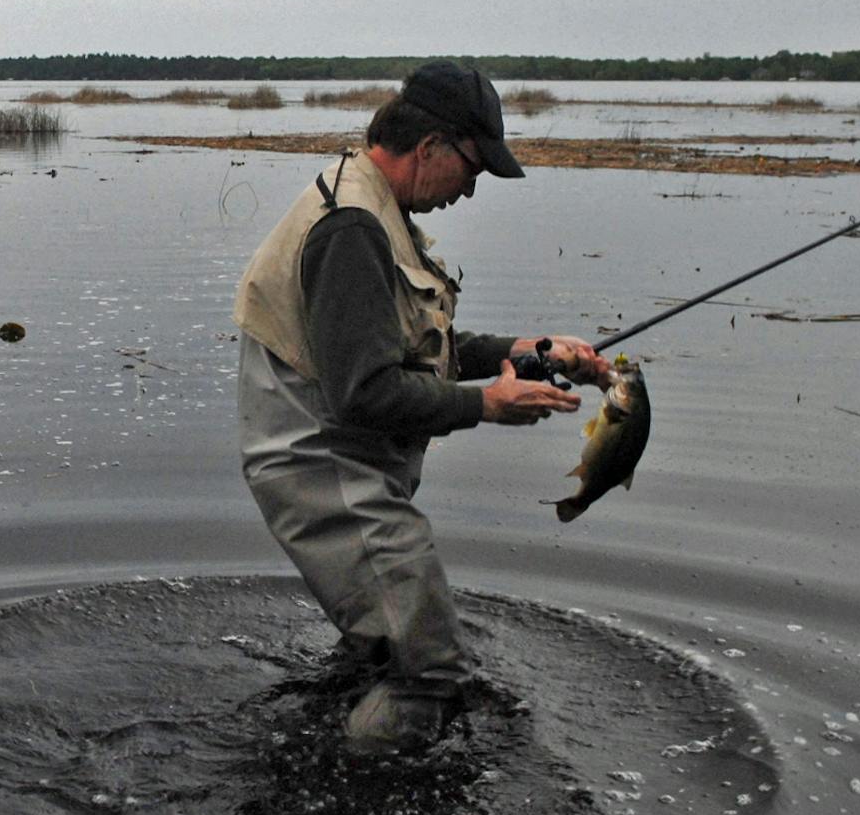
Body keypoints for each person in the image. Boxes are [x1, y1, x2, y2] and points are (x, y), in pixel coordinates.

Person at [234, 61, 612, 750]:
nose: (469, 191)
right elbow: (366, 391)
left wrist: (529, 348)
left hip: (343, 462)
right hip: (323, 471)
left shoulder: (375, 207)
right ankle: (366, 806)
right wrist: (487, 405)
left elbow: (405, 346)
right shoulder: (353, 227)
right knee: (429, 663)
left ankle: (334, 736)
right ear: (431, 145)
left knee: (389, 645)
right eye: (471, 169)